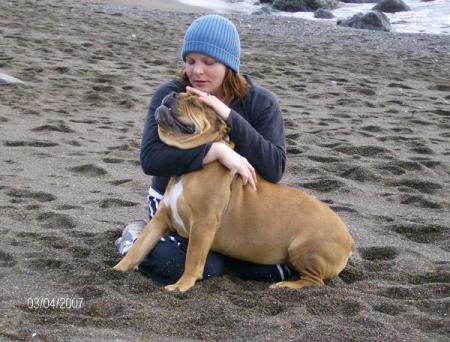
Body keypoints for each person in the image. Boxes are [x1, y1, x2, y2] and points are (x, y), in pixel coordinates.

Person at [116, 14, 297, 285]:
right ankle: (134, 238)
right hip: (175, 203)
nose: (197, 71)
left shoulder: (260, 103)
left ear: (229, 64)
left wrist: (228, 116)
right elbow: (151, 159)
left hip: (234, 212)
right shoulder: (173, 95)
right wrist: (214, 151)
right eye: (190, 61)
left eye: (208, 62)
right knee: (187, 265)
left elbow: (274, 168)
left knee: (264, 270)